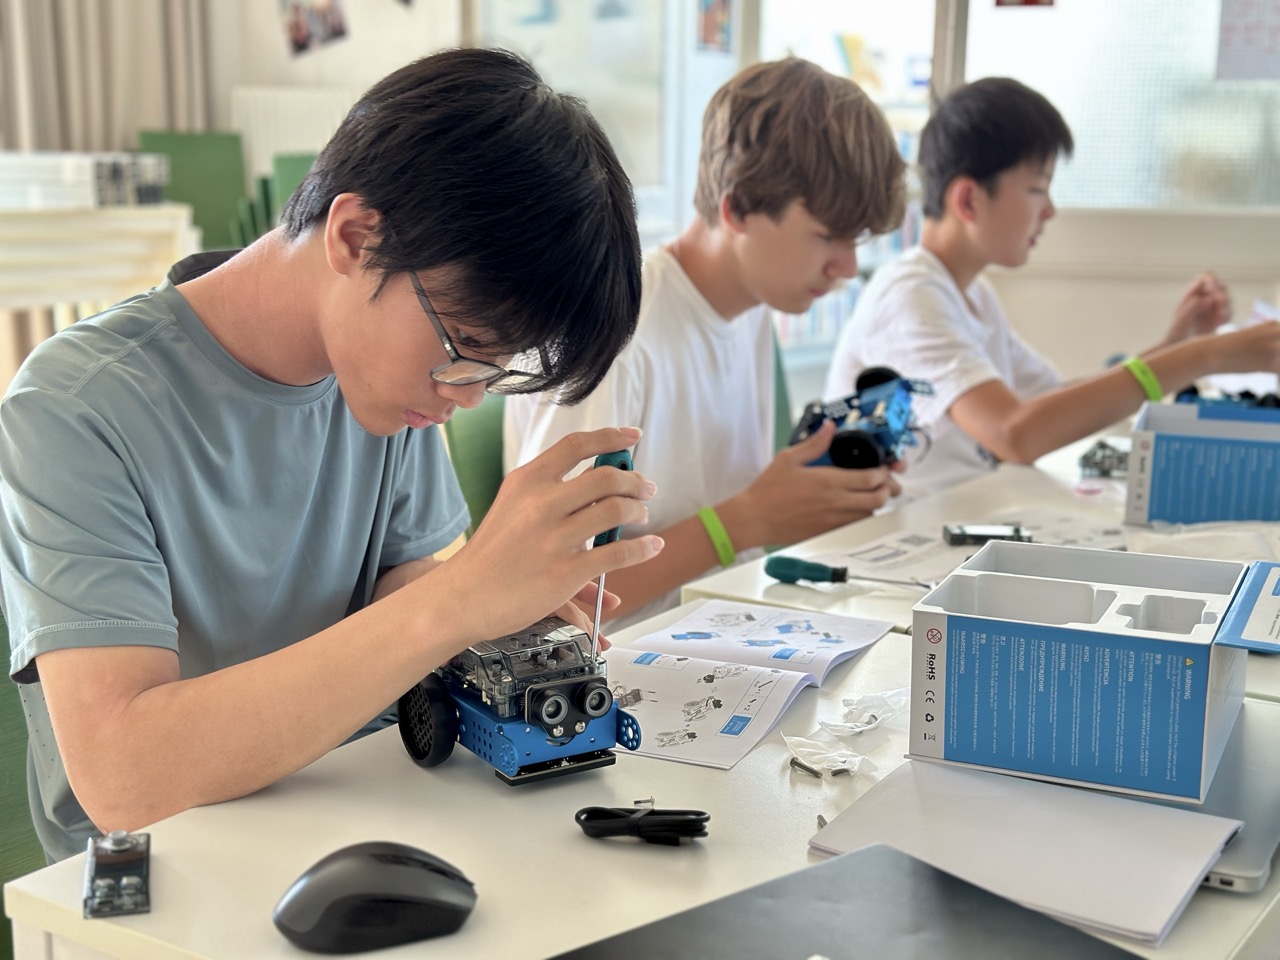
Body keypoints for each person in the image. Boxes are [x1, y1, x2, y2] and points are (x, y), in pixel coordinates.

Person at [0, 48, 662, 862]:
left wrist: (500, 608)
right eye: (466, 345)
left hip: (355, 817)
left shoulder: (384, 381)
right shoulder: (77, 407)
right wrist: (456, 600)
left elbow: (400, 588)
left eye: (494, 369)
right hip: (165, 872)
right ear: (354, 237)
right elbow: (125, 777)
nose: (468, 396)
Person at [504, 57, 908, 631]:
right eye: (827, 237)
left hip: (727, 632)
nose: (846, 266)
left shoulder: (752, 311)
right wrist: (745, 522)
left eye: (856, 240)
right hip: (615, 661)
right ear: (737, 207)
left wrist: (818, 497)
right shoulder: (618, 333)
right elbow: (544, 594)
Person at [823, 76, 1280, 498]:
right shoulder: (910, 296)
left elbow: (1055, 407)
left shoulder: (972, 295)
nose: (1050, 211)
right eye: (1037, 189)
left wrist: (1177, 345)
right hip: (896, 535)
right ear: (968, 199)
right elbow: (1016, 433)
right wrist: (1207, 356)